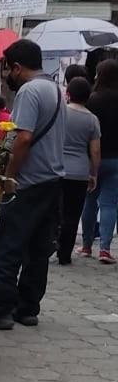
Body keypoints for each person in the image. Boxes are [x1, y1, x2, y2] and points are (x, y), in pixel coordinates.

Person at [0, 40, 65, 330]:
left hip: (28, 182)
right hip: (52, 180)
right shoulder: (54, 88)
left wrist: (9, 178)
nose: (6, 77)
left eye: (6, 70)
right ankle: (27, 308)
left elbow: (23, 138)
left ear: (16, 67)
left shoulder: (29, 91)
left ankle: (0, 309)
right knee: (38, 249)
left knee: (8, 246)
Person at [57, 77, 100, 265]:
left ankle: (51, 244)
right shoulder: (92, 119)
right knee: (73, 215)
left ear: (68, 93)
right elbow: (95, 151)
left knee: (55, 210)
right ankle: (65, 253)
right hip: (80, 172)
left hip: (57, 168)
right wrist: (93, 173)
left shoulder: (60, 113)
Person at [84, 59, 118, 263]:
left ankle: (87, 246)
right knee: (109, 204)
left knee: (89, 202)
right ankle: (105, 249)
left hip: (93, 158)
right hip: (116, 159)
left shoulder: (92, 99)